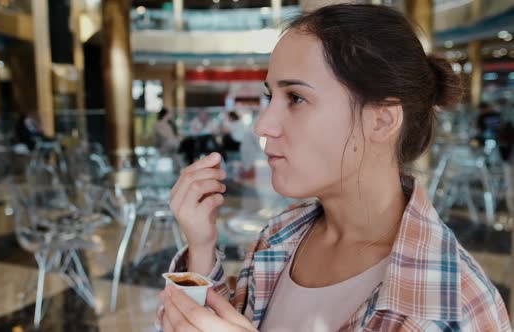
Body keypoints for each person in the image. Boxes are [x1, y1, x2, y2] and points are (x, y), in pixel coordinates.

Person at [158, 4, 510, 332]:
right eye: (270, 97)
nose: (263, 125)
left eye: (295, 98)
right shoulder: (281, 236)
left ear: (382, 120)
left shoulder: (454, 305)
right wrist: (201, 247)